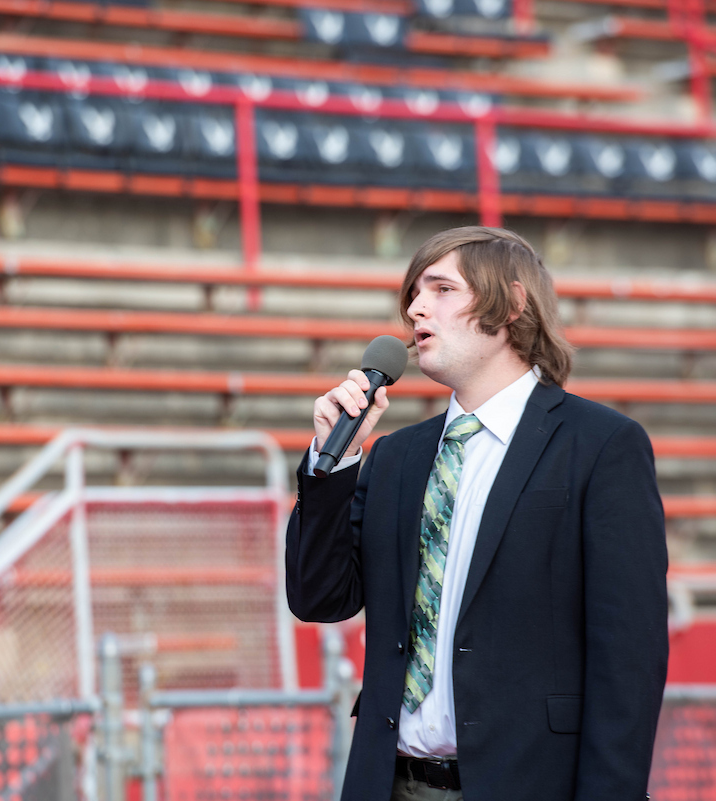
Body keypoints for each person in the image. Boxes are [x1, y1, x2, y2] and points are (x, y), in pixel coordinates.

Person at [285, 226, 668, 801]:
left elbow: (628, 661)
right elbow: (318, 596)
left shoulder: (601, 446)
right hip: (391, 783)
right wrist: (331, 462)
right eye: (413, 293)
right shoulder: (395, 457)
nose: (415, 307)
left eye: (441, 288)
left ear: (512, 304)